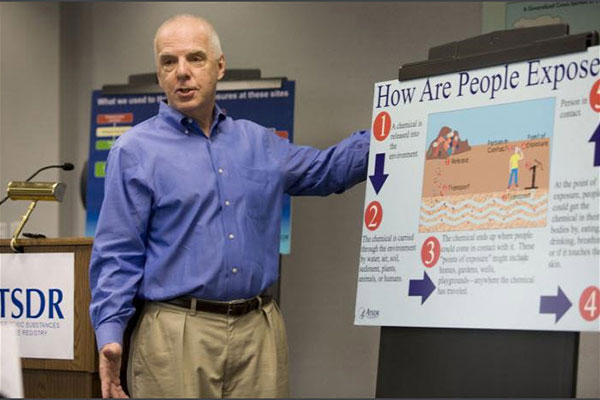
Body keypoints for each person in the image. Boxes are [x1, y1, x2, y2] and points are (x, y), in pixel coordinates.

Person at [89, 14, 370, 398]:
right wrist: (110, 332)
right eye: (169, 62)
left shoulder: (259, 143)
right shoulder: (134, 151)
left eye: (195, 58)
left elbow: (327, 171)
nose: (182, 73)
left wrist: (397, 129)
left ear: (220, 66)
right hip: (175, 333)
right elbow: (117, 252)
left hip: (258, 331)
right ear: (159, 74)